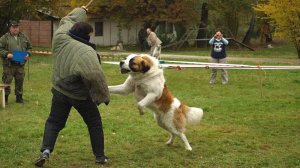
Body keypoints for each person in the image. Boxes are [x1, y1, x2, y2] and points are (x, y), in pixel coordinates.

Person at [34, 6, 110, 167]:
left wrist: (82, 10)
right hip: (79, 95)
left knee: (54, 122)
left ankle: (45, 151)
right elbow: (95, 76)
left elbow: (68, 19)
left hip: (59, 90)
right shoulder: (87, 52)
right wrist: (103, 96)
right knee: (94, 122)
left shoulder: (60, 36)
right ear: (86, 35)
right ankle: (100, 157)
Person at [0, 20, 32, 104]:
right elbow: (0, 49)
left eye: (17, 27)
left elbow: (29, 47)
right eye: (13, 27)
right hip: (9, 64)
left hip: (20, 64)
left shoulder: (24, 37)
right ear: (10, 28)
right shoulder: (4, 38)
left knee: (20, 80)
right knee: (7, 80)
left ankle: (19, 98)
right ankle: (5, 99)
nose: (15, 29)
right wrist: (7, 54)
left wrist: (28, 54)